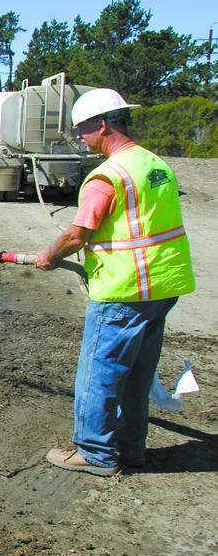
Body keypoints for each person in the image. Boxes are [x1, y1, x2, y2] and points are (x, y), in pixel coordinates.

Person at [34, 88, 195, 476]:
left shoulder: (106, 176)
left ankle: (94, 451)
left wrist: (49, 256)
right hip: (162, 286)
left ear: (101, 125)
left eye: (81, 131)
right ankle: (130, 448)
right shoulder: (154, 164)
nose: (79, 138)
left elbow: (78, 234)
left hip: (124, 290)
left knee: (99, 371)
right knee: (138, 372)